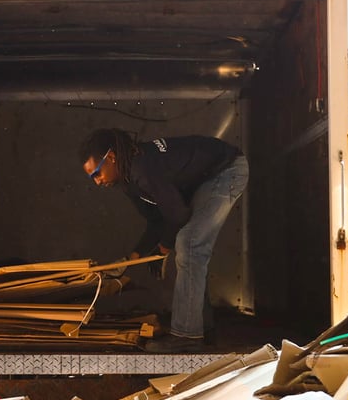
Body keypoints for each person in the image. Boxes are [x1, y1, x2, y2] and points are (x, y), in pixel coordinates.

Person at [79, 128, 248, 353]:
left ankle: (187, 337)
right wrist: (130, 261)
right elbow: (158, 221)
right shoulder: (128, 180)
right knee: (190, 246)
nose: (97, 182)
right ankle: (203, 329)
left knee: (189, 243)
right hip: (204, 181)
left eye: (96, 173)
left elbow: (178, 214)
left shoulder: (143, 167)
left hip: (226, 170)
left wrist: (163, 248)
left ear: (111, 158)